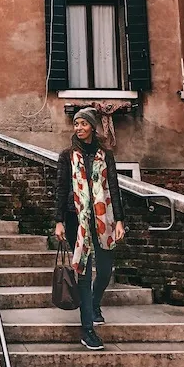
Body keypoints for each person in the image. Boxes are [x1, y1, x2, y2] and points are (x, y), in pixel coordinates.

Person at [55, 107, 126, 350]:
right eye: (76, 124)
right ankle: (87, 330)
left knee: (105, 270)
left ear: (92, 127)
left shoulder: (105, 155)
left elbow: (114, 188)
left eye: (83, 124)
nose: (79, 128)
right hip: (77, 220)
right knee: (83, 275)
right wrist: (59, 221)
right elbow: (61, 189)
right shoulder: (66, 156)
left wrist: (119, 220)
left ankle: (95, 303)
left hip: (103, 218)